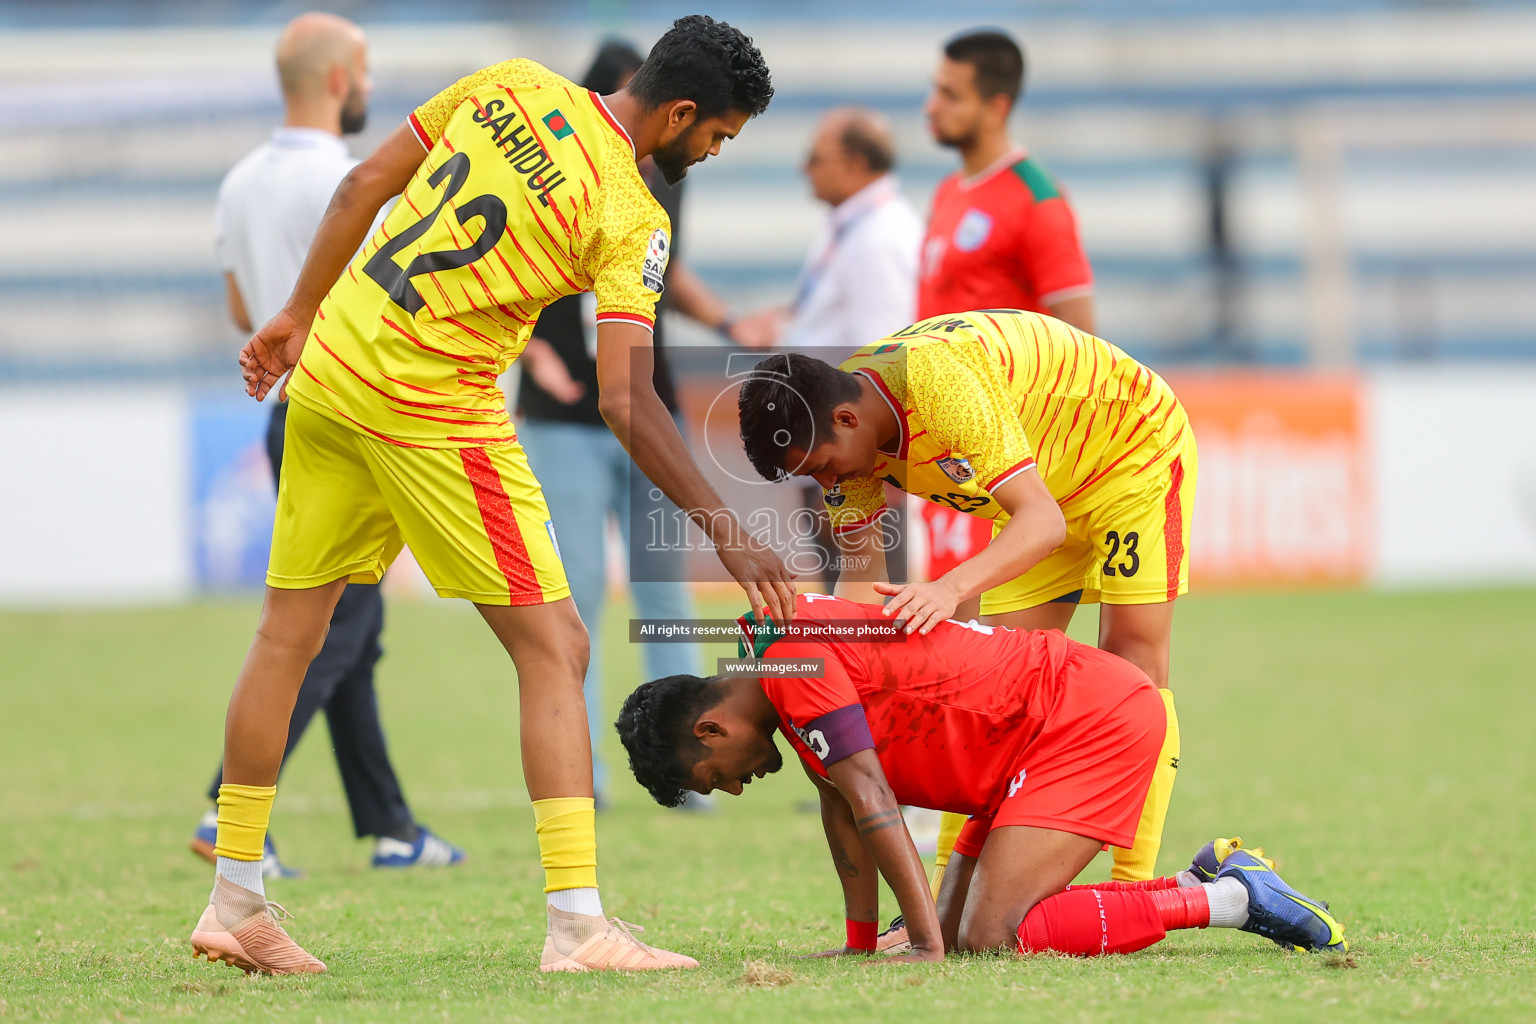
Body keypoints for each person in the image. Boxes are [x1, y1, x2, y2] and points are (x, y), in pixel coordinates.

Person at [194, 15, 793, 976]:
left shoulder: (508, 82)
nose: (710, 153)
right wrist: (727, 530)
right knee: (557, 645)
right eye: (716, 136)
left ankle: (234, 899)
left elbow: (362, 185)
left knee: (285, 636)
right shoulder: (632, 216)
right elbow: (625, 395)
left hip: (338, 366)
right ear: (680, 111)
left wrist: (297, 313)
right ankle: (577, 926)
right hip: (434, 408)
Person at [737, 308, 1193, 899]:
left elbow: (1043, 522)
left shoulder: (937, 382)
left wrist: (948, 588)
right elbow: (860, 575)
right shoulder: (845, 427)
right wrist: (835, 670)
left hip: (1129, 456)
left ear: (847, 420)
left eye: (822, 466)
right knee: (1000, 692)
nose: (828, 484)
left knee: (1133, 669)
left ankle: (1139, 888)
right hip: (1039, 492)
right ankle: (949, 892)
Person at [615, 593, 1347, 959]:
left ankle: (1227, 899)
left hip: (1081, 715)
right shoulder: (774, 657)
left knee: (992, 935)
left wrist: (921, 945)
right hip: (1025, 747)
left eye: (717, 777)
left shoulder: (786, 660)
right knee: (968, 935)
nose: (739, 787)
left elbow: (870, 797)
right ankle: (1207, 880)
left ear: (711, 728)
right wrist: (862, 943)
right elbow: (842, 808)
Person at [201, 11, 464, 879]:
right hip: (362, 407)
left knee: (349, 622)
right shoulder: (358, 175)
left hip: (288, 410)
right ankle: (225, 807)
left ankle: (390, 827)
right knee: (330, 623)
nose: (373, 87)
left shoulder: (240, 180)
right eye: (368, 72)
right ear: (343, 80)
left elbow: (247, 314)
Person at [515, 40, 756, 809]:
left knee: (664, 600)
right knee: (577, 598)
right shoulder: (566, 168)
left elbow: (665, 268)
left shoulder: (671, 173)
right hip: (567, 418)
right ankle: (579, 780)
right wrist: (524, 354)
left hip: (646, 410)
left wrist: (728, 320)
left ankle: (686, 773)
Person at [914, 32, 1100, 826]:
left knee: (981, 634)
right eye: (935, 88)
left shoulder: (1035, 198)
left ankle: (978, 797)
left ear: (996, 103)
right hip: (942, 450)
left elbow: (1085, 344)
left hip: (1000, 459)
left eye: (950, 94)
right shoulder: (952, 193)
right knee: (945, 620)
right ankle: (941, 785)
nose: (934, 106)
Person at [732, 107, 922, 351]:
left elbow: (883, 357)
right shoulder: (854, 223)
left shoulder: (881, 239)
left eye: (815, 158)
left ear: (856, 164)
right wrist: (784, 322)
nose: (804, 168)